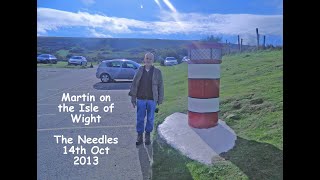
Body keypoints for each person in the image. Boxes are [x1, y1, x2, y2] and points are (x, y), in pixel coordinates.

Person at [128, 52, 164, 145]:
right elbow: (134, 84)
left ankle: (147, 135)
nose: (148, 60)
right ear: (144, 59)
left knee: (150, 119)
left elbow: (161, 86)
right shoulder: (140, 70)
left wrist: (160, 99)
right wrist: (133, 98)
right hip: (141, 99)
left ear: (153, 61)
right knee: (140, 118)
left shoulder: (157, 72)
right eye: (147, 58)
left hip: (152, 100)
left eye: (150, 59)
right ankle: (139, 135)